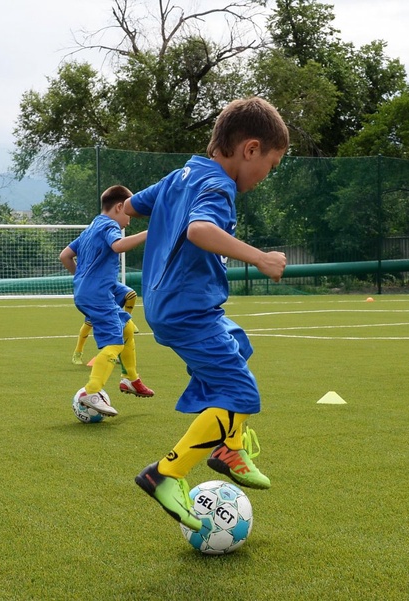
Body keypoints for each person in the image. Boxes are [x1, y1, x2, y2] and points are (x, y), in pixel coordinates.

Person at [128, 97, 289, 531]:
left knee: (238, 344)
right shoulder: (218, 185)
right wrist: (260, 258)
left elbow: (130, 207)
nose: (264, 177)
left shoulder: (182, 174)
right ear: (250, 149)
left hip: (174, 303)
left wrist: (154, 220)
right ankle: (165, 474)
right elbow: (200, 230)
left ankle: (227, 448)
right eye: (269, 166)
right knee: (240, 393)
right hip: (188, 308)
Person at [59, 185, 155, 418]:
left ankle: (131, 379)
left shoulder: (91, 227)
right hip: (98, 294)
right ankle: (90, 392)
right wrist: (152, 233)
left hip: (91, 290)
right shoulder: (110, 225)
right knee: (114, 342)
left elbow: (65, 256)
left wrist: (84, 279)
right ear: (120, 207)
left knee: (127, 328)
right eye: (129, 215)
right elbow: (118, 246)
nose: (129, 221)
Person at [71, 284, 136, 369]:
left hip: (109, 285)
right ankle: (78, 353)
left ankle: (126, 319)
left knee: (131, 294)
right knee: (90, 322)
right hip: (95, 290)